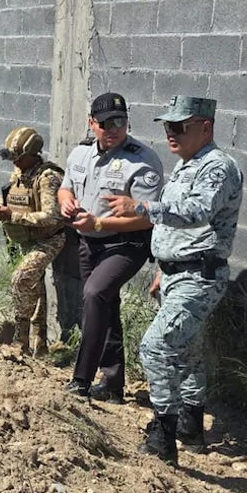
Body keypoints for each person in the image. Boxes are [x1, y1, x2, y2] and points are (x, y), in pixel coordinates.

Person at [106, 96, 243, 466]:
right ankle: (191, 427)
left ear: (205, 127)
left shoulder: (217, 168)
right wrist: (161, 269)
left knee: (155, 348)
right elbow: (176, 230)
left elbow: (197, 212)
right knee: (189, 350)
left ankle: (162, 437)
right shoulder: (186, 166)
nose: (171, 133)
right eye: (168, 126)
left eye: (179, 126)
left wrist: (143, 206)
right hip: (178, 273)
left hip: (200, 275)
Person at [58, 93, 164, 402]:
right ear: (92, 124)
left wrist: (100, 224)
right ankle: (114, 383)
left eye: (120, 121)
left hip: (126, 244)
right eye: (105, 123)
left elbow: (146, 220)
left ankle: (81, 379)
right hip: (89, 242)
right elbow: (66, 188)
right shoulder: (79, 155)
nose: (114, 128)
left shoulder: (142, 160)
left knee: (94, 294)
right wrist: (67, 204)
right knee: (104, 303)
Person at [0, 126, 67, 355]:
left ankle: (20, 337)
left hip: (48, 239)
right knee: (35, 288)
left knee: (21, 279)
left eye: (18, 158)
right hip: (25, 239)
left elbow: (52, 216)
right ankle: (38, 346)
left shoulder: (48, 177)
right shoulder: (19, 172)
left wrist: (13, 216)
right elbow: (11, 195)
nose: (14, 162)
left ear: (32, 155)